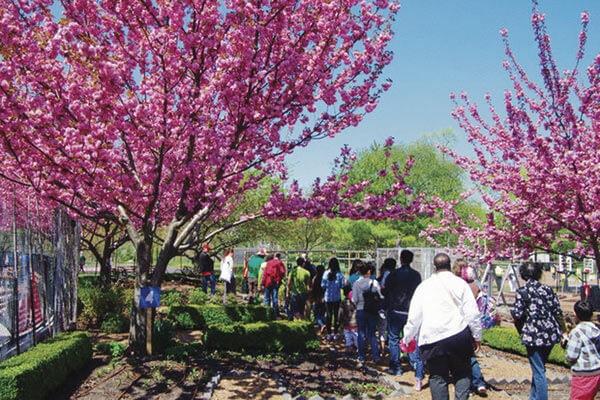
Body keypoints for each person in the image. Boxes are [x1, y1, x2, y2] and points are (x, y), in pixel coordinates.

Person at [402, 253, 482, 400]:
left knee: (437, 377)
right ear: (450, 266)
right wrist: (477, 336)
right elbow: (472, 314)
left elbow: (414, 317)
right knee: (462, 373)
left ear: (434, 267)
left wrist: (407, 337)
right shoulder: (460, 284)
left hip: (433, 338)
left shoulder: (424, 286)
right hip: (459, 335)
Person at [511, 261, 566, 400]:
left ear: (523, 274)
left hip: (533, 335)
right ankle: (533, 397)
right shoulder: (548, 289)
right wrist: (564, 331)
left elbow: (517, 314)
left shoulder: (523, 292)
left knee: (538, 370)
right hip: (550, 333)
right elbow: (557, 312)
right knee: (539, 368)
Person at [382, 250, 423, 390]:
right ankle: (415, 363)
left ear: (401, 259)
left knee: (393, 338)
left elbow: (386, 290)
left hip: (395, 310)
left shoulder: (394, 274)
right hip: (411, 311)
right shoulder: (416, 275)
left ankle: (396, 367)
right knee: (411, 337)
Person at [453, 259, 488, 396]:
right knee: (470, 355)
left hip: (457, 323)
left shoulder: (455, 284)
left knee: (458, 358)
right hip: (472, 322)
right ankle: (479, 383)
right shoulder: (475, 284)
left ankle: (465, 385)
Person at [566, 300, 600, 400]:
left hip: (583, 373)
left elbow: (571, 356)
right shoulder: (596, 329)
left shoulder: (576, 332)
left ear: (576, 315)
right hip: (597, 371)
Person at [352, 262, 383, 365]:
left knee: (361, 333)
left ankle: (361, 356)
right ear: (369, 271)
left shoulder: (357, 283)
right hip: (372, 311)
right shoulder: (374, 283)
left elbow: (354, 299)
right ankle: (376, 356)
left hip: (361, 309)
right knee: (372, 334)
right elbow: (380, 296)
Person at [322, 257, 345, 341]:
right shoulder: (340, 274)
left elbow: (322, 285)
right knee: (336, 316)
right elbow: (343, 286)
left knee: (328, 315)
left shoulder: (326, 273)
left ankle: (328, 333)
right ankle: (335, 333)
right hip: (337, 297)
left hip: (328, 297)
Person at [376, 258, 396, 358]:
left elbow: (383, 288)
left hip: (384, 304)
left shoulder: (386, 275)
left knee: (382, 328)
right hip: (394, 305)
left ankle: (382, 348)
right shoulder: (396, 274)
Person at [339, 284, 358, 354]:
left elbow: (340, 313)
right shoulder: (354, 302)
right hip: (355, 323)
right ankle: (357, 348)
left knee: (347, 336)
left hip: (346, 323)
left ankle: (349, 348)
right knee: (356, 336)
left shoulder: (343, 302)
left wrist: (339, 321)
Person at [311, 264, 326, 332]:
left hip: (316, 298)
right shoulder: (324, 279)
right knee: (322, 314)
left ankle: (321, 325)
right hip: (323, 298)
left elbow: (313, 289)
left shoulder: (315, 279)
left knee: (316, 315)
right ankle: (322, 326)